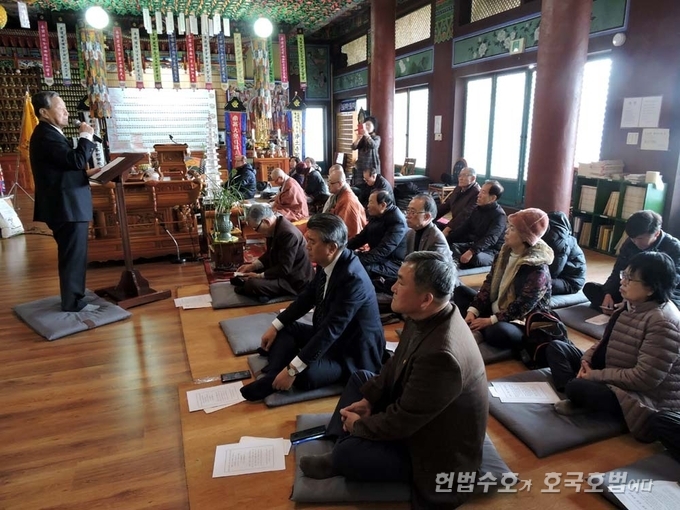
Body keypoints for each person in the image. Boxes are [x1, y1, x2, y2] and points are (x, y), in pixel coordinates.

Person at [299, 251, 488, 510]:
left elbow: (403, 421)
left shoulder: (442, 355)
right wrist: (369, 400)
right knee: (361, 380)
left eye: (400, 281)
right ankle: (343, 439)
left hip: (433, 449)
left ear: (426, 299)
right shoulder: (428, 315)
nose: (392, 287)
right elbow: (395, 362)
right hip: (420, 416)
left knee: (349, 453)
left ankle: (343, 449)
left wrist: (360, 426)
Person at [240, 214, 386, 402]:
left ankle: (279, 372)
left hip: (350, 350)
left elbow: (331, 330)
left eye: (312, 241)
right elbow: (306, 298)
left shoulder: (353, 279)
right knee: (284, 329)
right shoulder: (328, 261)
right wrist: (274, 326)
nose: (306, 245)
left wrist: (292, 370)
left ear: (331, 247)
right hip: (329, 335)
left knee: (304, 375)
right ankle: (274, 375)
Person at [547, 252, 680, 444]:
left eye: (629, 279)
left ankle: (577, 392)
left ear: (651, 288)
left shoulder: (663, 322)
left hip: (641, 396)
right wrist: (586, 361)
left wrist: (594, 376)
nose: (622, 282)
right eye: (624, 275)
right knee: (557, 348)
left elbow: (644, 379)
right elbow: (605, 342)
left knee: (578, 386)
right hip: (613, 370)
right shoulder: (631, 304)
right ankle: (577, 392)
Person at [29, 91, 99, 313]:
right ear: (44, 112)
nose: (67, 112)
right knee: (73, 256)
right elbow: (76, 160)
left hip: (67, 204)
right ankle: (73, 303)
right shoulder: (46, 135)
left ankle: (75, 298)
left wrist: (86, 174)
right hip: (65, 206)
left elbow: (63, 168)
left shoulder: (50, 133)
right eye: (61, 108)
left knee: (74, 255)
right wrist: (85, 137)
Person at [454, 208, 553, 349]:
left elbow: (523, 306)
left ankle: (479, 329)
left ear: (525, 236)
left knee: (497, 332)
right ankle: (477, 325)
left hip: (520, 320)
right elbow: (489, 283)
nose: (506, 231)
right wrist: (473, 310)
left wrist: (491, 320)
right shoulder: (504, 253)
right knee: (460, 292)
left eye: (512, 229)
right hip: (496, 308)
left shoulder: (537, 268)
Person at [583, 210, 680, 311]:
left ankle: (627, 310)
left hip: (656, 292)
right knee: (591, 289)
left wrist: (632, 299)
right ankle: (625, 309)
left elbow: (671, 284)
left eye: (640, 238)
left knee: (671, 307)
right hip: (632, 287)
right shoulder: (630, 243)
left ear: (656, 233)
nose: (636, 242)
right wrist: (609, 293)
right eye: (632, 238)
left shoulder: (674, 247)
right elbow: (618, 271)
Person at [234, 205, 314, 301]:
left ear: (266, 221)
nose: (256, 231)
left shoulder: (288, 234)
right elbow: (270, 254)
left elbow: (284, 268)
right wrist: (253, 266)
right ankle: (264, 292)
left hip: (294, 280)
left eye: (256, 228)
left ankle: (265, 292)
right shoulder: (274, 227)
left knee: (252, 283)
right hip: (281, 271)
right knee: (245, 275)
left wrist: (259, 276)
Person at [347, 190, 408, 292]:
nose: (367, 206)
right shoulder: (376, 216)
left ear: (383, 205)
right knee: (348, 257)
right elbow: (361, 238)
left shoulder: (397, 221)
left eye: (371, 202)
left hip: (393, 262)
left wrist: (360, 260)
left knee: (359, 267)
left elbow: (384, 249)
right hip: (378, 257)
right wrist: (343, 248)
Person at [446, 180, 507, 269]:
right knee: (451, 246)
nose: (479, 195)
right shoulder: (477, 209)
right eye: (480, 191)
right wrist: (445, 239)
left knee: (475, 258)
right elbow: (464, 228)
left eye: (483, 192)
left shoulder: (499, 215)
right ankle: (458, 261)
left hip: (491, 251)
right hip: (476, 245)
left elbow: (490, 238)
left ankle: (457, 262)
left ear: (493, 198)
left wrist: (471, 251)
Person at [542, 211, 586, 295]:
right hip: (561, 275)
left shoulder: (559, 241)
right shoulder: (552, 234)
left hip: (571, 281)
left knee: (536, 283)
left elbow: (554, 270)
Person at [323, 164, 367, 239]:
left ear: (340, 184)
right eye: (328, 182)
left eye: (331, 183)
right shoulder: (340, 193)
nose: (328, 185)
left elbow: (342, 228)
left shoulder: (347, 201)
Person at [436, 166, 480, 235]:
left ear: (473, 178)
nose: (460, 178)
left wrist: (447, 229)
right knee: (433, 227)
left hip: (466, 227)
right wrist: (431, 215)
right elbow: (447, 205)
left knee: (442, 235)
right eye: (460, 175)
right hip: (455, 222)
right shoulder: (459, 188)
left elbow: (465, 215)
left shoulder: (477, 193)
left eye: (464, 175)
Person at [351, 116, 381, 186]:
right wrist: (358, 138)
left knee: (371, 185)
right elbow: (353, 147)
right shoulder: (362, 138)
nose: (366, 127)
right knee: (360, 185)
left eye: (369, 125)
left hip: (371, 166)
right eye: (365, 125)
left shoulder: (377, 138)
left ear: (374, 127)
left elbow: (373, 145)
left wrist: (367, 135)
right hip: (361, 165)